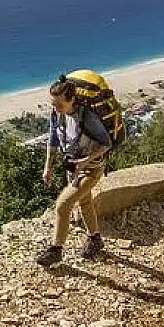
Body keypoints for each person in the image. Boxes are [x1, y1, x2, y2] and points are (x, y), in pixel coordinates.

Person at [36, 77, 112, 267]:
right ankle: (95, 239)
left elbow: (106, 143)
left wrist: (85, 161)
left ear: (72, 100)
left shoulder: (87, 117)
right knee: (84, 202)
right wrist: (48, 166)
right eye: (53, 103)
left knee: (62, 206)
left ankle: (56, 250)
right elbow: (53, 139)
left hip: (91, 169)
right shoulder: (57, 114)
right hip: (73, 167)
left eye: (59, 103)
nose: (55, 106)